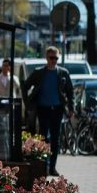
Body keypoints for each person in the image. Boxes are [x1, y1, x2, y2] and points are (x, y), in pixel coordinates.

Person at [22, 46, 74, 176]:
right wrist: (28, 103)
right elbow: (25, 85)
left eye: (56, 58)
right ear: (46, 58)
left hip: (57, 109)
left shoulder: (63, 73)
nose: (54, 60)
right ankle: (43, 167)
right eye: (51, 58)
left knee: (56, 139)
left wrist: (71, 108)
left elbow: (70, 92)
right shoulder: (39, 72)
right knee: (43, 138)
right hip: (43, 109)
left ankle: (52, 168)